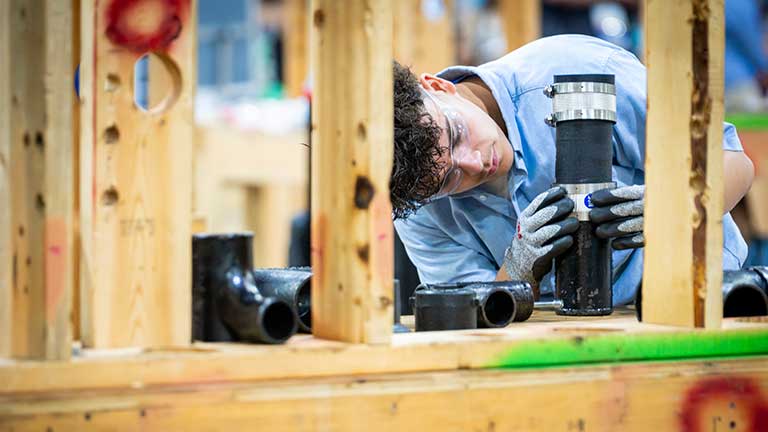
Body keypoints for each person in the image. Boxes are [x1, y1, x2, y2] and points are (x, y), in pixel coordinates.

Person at [390, 34, 755, 304]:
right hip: (556, 338)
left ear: (439, 86)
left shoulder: (575, 68)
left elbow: (735, 163)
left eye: (456, 136)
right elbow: (478, 324)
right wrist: (517, 272)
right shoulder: (419, 204)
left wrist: (675, 206)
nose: (475, 162)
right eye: (452, 178)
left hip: (695, 298)